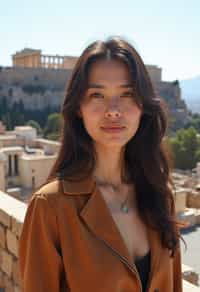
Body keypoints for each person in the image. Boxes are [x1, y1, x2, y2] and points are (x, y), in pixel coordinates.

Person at [18, 36, 183, 292]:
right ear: (78, 108)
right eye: (97, 95)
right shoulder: (50, 208)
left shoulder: (160, 196)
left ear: (143, 107)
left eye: (127, 94)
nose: (113, 110)